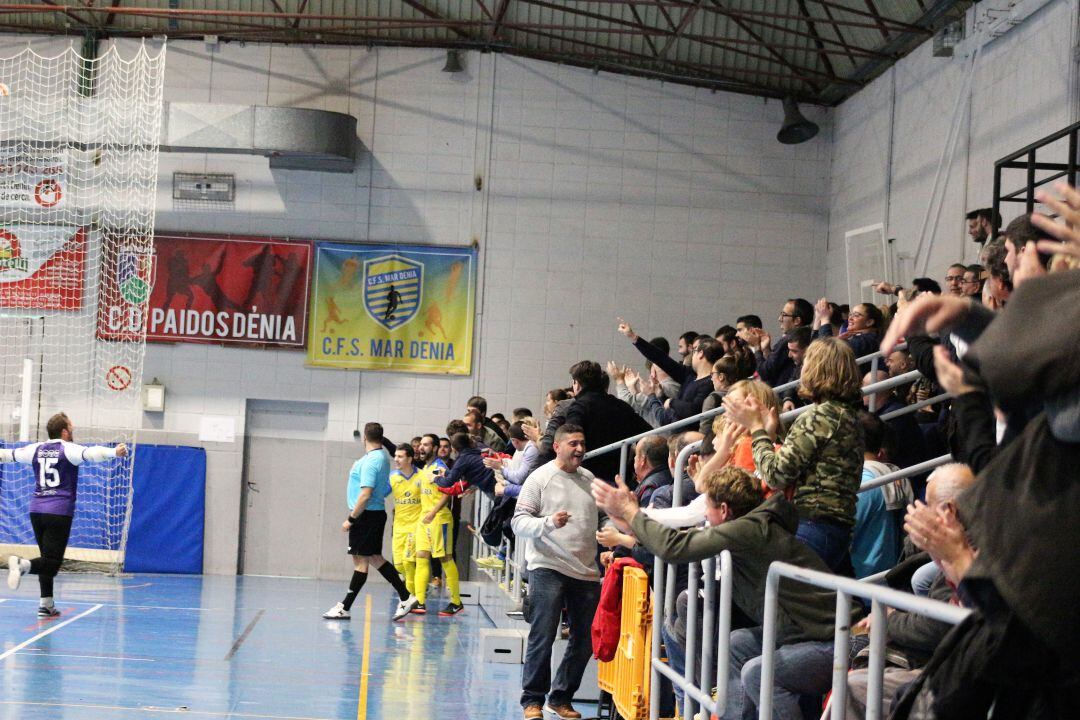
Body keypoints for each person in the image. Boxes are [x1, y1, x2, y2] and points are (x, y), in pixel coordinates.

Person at [592, 466, 844, 720]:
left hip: (834, 638)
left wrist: (630, 511)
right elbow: (678, 538)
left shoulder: (748, 531)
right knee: (737, 643)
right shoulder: (752, 524)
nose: (704, 518)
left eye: (706, 510)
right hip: (801, 630)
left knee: (756, 673)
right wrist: (633, 523)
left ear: (723, 511)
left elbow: (675, 547)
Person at [724, 337, 864, 573]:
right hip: (835, 526)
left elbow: (776, 475)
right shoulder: (850, 417)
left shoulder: (819, 417)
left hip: (812, 523)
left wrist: (757, 429)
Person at [512, 424, 603, 720]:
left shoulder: (589, 479)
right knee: (543, 634)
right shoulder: (539, 478)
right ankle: (533, 700)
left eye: (583, 443)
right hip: (547, 566)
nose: (579, 449)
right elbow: (519, 522)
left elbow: (602, 520)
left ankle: (561, 697)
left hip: (586, 571)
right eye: (573, 443)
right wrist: (548, 522)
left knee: (585, 638)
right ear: (557, 446)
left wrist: (610, 532)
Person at [2, 412, 129, 617]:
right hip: (58, 511)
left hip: (36, 510)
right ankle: (22, 564)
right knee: (52, 563)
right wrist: (114, 452)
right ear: (64, 431)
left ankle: (46, 604)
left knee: (46, 558)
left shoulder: (35, 448)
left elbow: (8, 455)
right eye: (71, 428)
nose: (73, 431)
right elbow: (92, 453)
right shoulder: (67, 449)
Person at [323, 422, 412, 620]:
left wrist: (351, 519)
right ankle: (406, 596)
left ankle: (345, 607)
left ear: (365, 437)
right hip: (371, 514)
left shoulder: (373, 460)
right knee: (374, 558)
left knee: (361, 561)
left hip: (366, 515)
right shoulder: (378, 457)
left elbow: (365, 493)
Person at [412, 439, 464, 617]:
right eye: (421, 444)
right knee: (421, 557)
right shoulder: (425, 468)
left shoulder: (439, 467)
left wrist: (434, 512)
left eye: (426, 445)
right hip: (424, 520)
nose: (421, 448)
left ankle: (456, 602)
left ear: (434, 448)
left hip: (439, 519)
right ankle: (419, 602)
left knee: (445, 558)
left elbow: (448, 492)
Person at [388, 444, 422, 621]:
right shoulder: (392, 477)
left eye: (400, 456)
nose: (396, 459)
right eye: (395, 456)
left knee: (409, 563)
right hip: (398, 527)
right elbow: (380, 494)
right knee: (399, 566)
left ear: (409, 458)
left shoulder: (421, 476)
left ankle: (410, 599)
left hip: (415, 527)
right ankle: (413, 597)